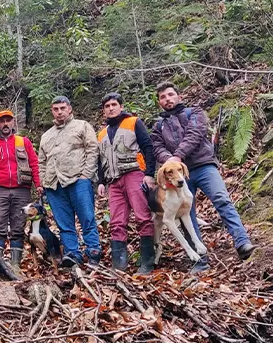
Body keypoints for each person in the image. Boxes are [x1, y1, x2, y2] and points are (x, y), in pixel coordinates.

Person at [150, 82, 255, 273]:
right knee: (185, 214)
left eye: (171, 95)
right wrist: (171, 163)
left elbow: (195, 134)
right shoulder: (158, 126)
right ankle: (200, 258)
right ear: (159, 102)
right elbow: (156, 147)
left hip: (203, 165)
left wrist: (177, 156)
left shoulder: (194, 113)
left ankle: (242, 242)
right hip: (178, 175)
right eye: (163, 97)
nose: (168, 99)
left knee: (222, 199)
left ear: (178, 96)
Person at [96, 93, 156, 274]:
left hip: (134, 174)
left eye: (114, 104)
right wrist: (100, 181)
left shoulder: (134, 122)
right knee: (116, 222)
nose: (111, 108)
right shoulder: (102, 134)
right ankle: (119, 266)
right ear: (104, 111)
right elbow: (100, 159)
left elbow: (148, 147)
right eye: (107, 106)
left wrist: (149, 174)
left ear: (121, 106)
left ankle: (147, 263)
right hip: (113, 181)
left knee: (142, 217)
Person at [38, 96, 102, 266]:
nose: (59, 112)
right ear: (52, 111)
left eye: (62, 108)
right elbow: (42, 161)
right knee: (64, 223)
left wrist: (86, 175)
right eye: (56, 109)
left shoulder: (82, 126)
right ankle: (72, 254)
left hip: (77, 180)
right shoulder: (46, 135)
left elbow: (92, 149)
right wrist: (44, 181)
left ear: (69, 109)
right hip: (54, 184)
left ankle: (93, 250)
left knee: (86, 217)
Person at [0, 110, 42, 265]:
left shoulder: (23, 142)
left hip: (22, 190)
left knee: (18, 227)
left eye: (8, 120)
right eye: (2, 121)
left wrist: (39, 184)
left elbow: (34, 163)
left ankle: (15, 266)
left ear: (13, 122)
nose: (5, 124)